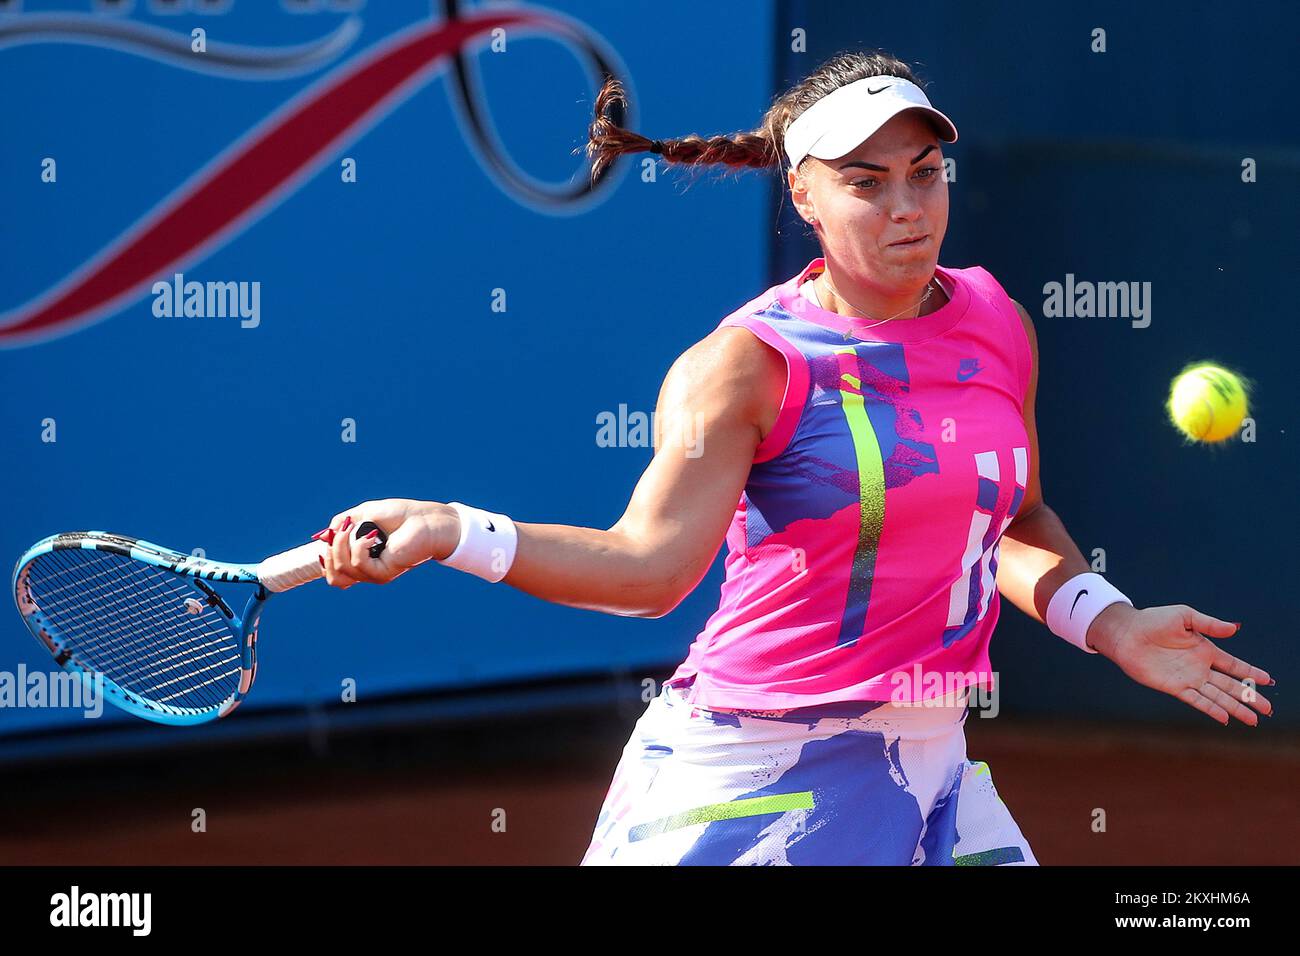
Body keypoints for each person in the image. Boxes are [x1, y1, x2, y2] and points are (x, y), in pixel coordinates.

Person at [314, 51, 1274, 865]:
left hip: (930, 765)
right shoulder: (745, 366)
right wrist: (453, 531)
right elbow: (648, 571)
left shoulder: (997, 322)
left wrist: (1110, 623)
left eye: (925, 170)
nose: (908, 207)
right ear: (804, 194)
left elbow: (1011, 518)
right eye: (866, 182)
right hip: (754, 770)